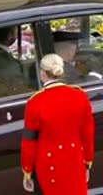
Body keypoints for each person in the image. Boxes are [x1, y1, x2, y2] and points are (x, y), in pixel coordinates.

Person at [21, 54, 94, 195]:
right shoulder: (80, 96)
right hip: (75, 160)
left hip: (49, 164)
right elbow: (87, 133)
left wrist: (27, 171)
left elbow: (29, 141)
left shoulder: (35, 102)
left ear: (42, 74)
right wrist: (87, 162)